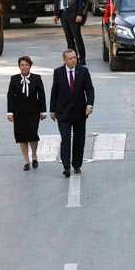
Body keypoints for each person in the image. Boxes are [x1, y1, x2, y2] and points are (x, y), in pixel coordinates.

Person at [49, 49, 95, 178]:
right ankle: (66, 167)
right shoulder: (58, 72)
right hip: (63, 112)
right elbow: (55, 91)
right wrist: (52, 110)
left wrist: (89, 105)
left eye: (75, 57)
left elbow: (89, 89)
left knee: (79, 140)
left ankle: (77, 164)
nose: (74, 60)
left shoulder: (83, 71)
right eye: (70, 58)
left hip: (80, 112)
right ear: (64, 60)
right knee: (65, 139)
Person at [7, 56, 47, 171]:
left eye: (26, 65)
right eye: (22, 65)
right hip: (19, 112)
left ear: (30, 66)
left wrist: (43, 111)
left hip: (34, 111)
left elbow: (42, 95)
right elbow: (10, 96)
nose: (24, 67)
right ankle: (26, 160)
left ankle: (34, 155)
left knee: (33, 134)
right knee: (22, 136)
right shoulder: (14, 79)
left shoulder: (37, 78)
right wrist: (10, 112)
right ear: (19, 66)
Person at [53, 0, 86, 65]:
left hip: (74, 14)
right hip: (63, 14)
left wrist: (79, 14)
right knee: (69, 38)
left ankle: (82, 58)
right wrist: (56, 15)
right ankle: (71, 59)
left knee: (77, 37)